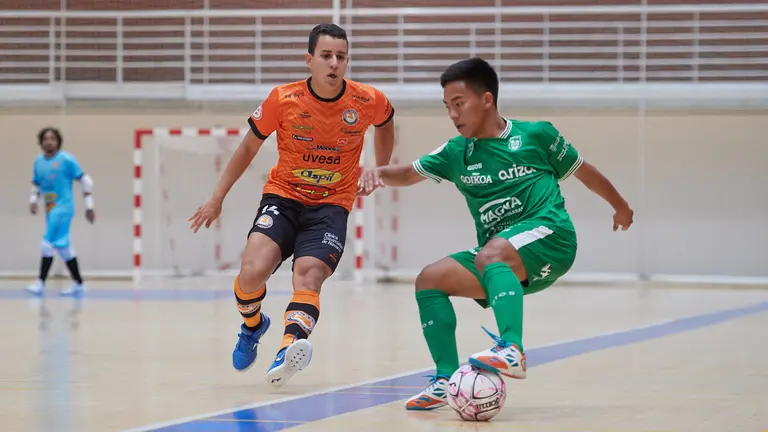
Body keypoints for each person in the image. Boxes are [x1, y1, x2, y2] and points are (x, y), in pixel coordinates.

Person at [357, 57, 634, 410]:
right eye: (447, 106)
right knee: (429, 280)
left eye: (459, 103)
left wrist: (620, 206)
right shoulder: (456, 152)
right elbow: (409, 173)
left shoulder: (536, 135)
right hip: (502, 259)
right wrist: (375, 173)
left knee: (491, 253)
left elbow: (584, 171)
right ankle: (445, 380)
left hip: (552, 237)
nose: (452, 114)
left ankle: (512, 349)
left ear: (486, 99)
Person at [188, 23, 396, 387]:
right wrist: (217, 197)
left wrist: (379, 168)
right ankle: (253, 326)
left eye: (341, 57)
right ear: (309, 60)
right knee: (251, 273)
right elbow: (247, 148)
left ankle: (288, 348)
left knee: (309, 274)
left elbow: (386, 121)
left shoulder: (367, 99)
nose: (334, 63)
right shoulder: (282, 99)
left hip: (331, 205)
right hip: (283, 198)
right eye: (326, 56)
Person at [26, 127, 95, 297]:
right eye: (45, 139)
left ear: (58, 142)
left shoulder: (66, 160)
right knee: (63, 247)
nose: (49, 142)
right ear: (41, 142)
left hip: (64, 208)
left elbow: (85, 180)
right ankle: (79, 284)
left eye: (53, 139)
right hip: (50, 209)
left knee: (47, 243)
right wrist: (33, 201)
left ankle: (40, 283)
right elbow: (36, 184)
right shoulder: (38, 162)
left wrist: (89, 206)